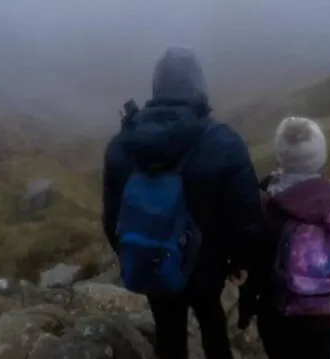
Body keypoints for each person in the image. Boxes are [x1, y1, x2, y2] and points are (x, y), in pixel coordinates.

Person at [102, 46, 263, 359]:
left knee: (167, 331)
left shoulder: (121, 145)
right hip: (208, 265)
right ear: (198, 85)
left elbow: (111, 220)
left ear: (156, 86)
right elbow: (247, 217)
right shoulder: (224, 141)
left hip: (151, 260)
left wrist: (135, 252)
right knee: (212, 320)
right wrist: (241, 261)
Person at [239, 116, 330, 359]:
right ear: (320, 155)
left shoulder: (265, 205)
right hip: (329, 314)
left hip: (279, 314)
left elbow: (256, 267)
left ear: (281, 156)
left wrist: (247, 308)